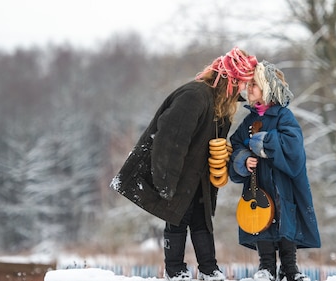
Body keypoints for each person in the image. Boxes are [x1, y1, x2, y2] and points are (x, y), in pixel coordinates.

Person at [110, 47, 258, 281]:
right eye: (243, 83)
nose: (245, 89)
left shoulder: (221, 104)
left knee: (202, 220)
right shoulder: (194, 96)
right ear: (231, 79)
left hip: (197, 175)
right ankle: (175, 271)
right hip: (175, 172)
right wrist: (167, 182)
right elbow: (169, 140)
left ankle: (210, 270)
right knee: (177, 218)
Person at [229, 61, 321, 281]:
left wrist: (265, 142)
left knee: (285, 219)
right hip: (258, 183)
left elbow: (293, 144)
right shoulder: (249, 120)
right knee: (260, 220)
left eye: (255, 85)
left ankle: (290, 268)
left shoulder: (283, 116)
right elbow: (236, 144)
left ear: (268, 88)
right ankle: (267, 266)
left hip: (282, 184)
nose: (249, 89)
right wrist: (243, 158)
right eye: (248, 84)